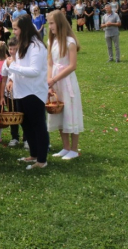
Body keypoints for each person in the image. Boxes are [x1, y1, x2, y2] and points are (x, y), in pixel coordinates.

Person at [2, 15, 49, 170]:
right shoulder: (24, 44)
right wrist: (11, 79)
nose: (13, 32)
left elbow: (34, 71)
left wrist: (12, 66)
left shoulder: (36, 47)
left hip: (34, 92)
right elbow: (19, 67)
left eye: (16, 28)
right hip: (21, 91)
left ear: (24, 28)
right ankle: (34, 154)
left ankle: (42, 160)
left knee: (38, 126)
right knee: (26, 125)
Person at [46, 11, 83, 160]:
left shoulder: (70, 42)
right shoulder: (51, 41)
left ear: (60, 23)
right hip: (55, 81)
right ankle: (65, 146)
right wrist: (49, 81)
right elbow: (50, 63)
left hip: (66, 81)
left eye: (52, 23)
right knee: (59, 110)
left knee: (70, 112)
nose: (50, 27)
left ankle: (74, 148)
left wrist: (55, 79)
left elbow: (72, 66)